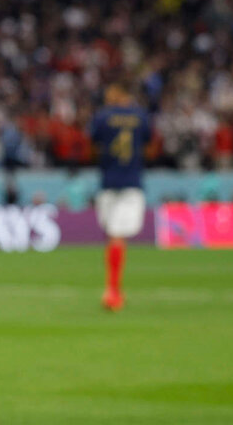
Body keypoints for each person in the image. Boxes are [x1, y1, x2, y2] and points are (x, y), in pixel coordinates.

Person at [90, 82, 152, 312]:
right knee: (117, 237)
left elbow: (92, 145)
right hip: (131, 181)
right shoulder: (141, 117)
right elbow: (149, 143)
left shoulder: (102, 117)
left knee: (112, 235)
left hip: (108, 182)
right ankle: (113, 291)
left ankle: (113, 290)